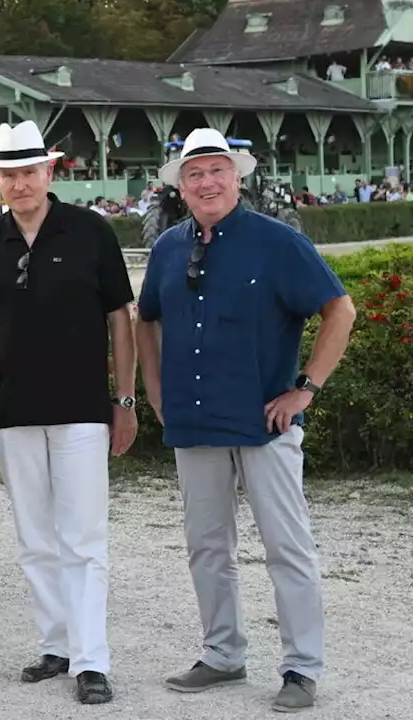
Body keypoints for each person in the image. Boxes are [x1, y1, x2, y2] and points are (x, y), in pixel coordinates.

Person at [135, 128, 357, 713]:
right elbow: (146, 320)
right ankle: (222, 654)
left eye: (216, 170)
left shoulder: (278, 243)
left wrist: (304, 390)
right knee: (206, 547)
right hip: (194, 421)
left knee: (288, 547)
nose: (206, 182)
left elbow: (341, 309)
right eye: (194, 174)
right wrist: (155, 392)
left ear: (238, 176)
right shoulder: (166, 249)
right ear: (180, 186)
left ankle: (301, 668)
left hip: (266, 424)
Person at [0, 120, 136, 705]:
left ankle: (92, 659)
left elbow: (120, 319)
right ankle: (57, 645)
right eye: (9, 174)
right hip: (12, 410)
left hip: (83, 408)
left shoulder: (91, 231)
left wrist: (125, 400)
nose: (20, 183)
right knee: (35, 537)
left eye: (29, 172)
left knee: (83, 538)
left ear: (49, 172)